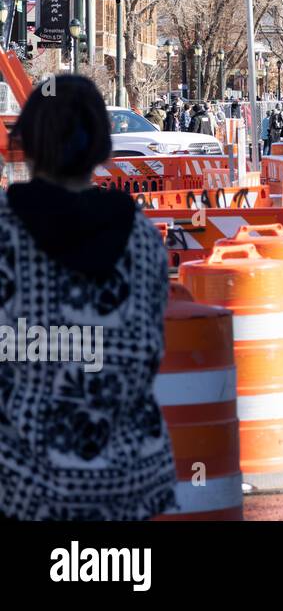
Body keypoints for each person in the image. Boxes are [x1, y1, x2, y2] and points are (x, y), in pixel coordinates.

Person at [0, 75, 176, 520]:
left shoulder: (6, 231)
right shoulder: (141, 237)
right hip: (132, 479)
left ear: (29, 143)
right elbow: (149, 347)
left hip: (23, 482)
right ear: (100, 145)